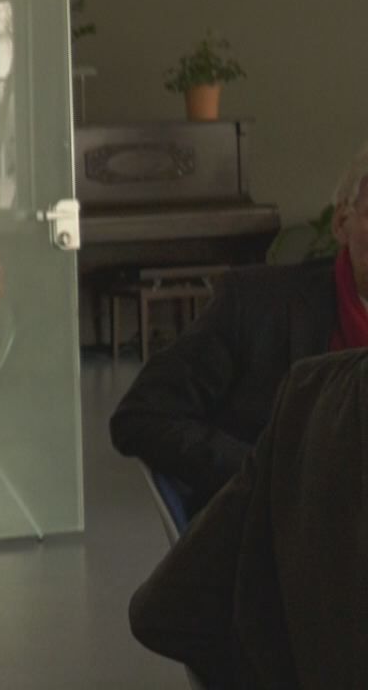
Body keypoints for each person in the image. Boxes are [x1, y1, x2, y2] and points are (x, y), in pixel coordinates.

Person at [111, 142, 368, 517]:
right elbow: (142, 417)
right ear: (342, 223)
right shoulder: (256, 305)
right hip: (278, 535)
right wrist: (266, 475)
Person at [128, 349, 368, 689]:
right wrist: (271, 471)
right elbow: (139, 414)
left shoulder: (310, 388)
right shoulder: (307, 386)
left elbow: (163, 610)